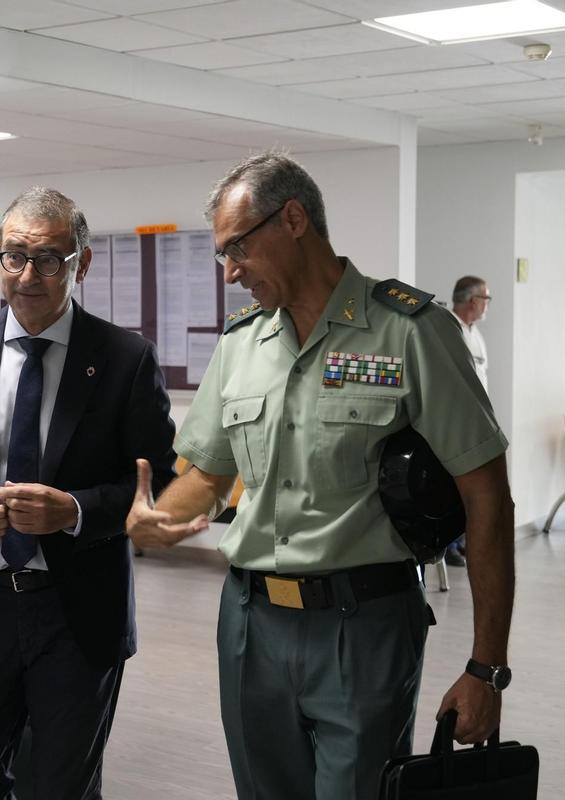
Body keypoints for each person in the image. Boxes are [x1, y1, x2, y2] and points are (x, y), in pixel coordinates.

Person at [127, 152, 516, 800]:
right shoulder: (239, 345)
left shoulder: (410, 332)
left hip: (363, 624)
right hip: (251, 626)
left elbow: (488, 497)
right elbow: (211, 476)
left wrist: (487, 667)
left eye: (238, 249)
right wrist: (158, 519)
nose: (228, 273)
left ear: (294, 220)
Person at [0, 187, 177, 800]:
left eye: (49, 259)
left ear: (82, 263)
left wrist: (75, 511)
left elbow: (159, 477)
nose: (28, 275)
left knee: (60, 787)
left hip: (76, 613)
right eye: (14, 256)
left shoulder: (125, 358)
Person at [444, 275, 493, 567]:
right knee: (455, 488)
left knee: (474, 488)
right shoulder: (449, 329)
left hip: (478, 421)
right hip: (458, 423)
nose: (488, 305)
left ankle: (462, 541)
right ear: (473, 301)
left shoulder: (474, 331)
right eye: (486, 298)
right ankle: (450, 544)